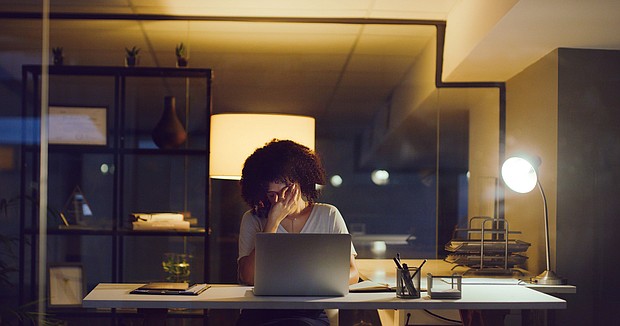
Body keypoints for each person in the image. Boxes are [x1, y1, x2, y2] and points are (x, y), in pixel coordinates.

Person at [236, 139, 359, 326]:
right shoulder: (253, 218)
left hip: (309, 312)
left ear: (300, 182)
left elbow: (352, 272)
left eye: (285, 191)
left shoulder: (328, 214)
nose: (280, 200)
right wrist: (272, 223)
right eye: (272, 195)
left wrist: (314, 285)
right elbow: (247, 277)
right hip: (261, 310)